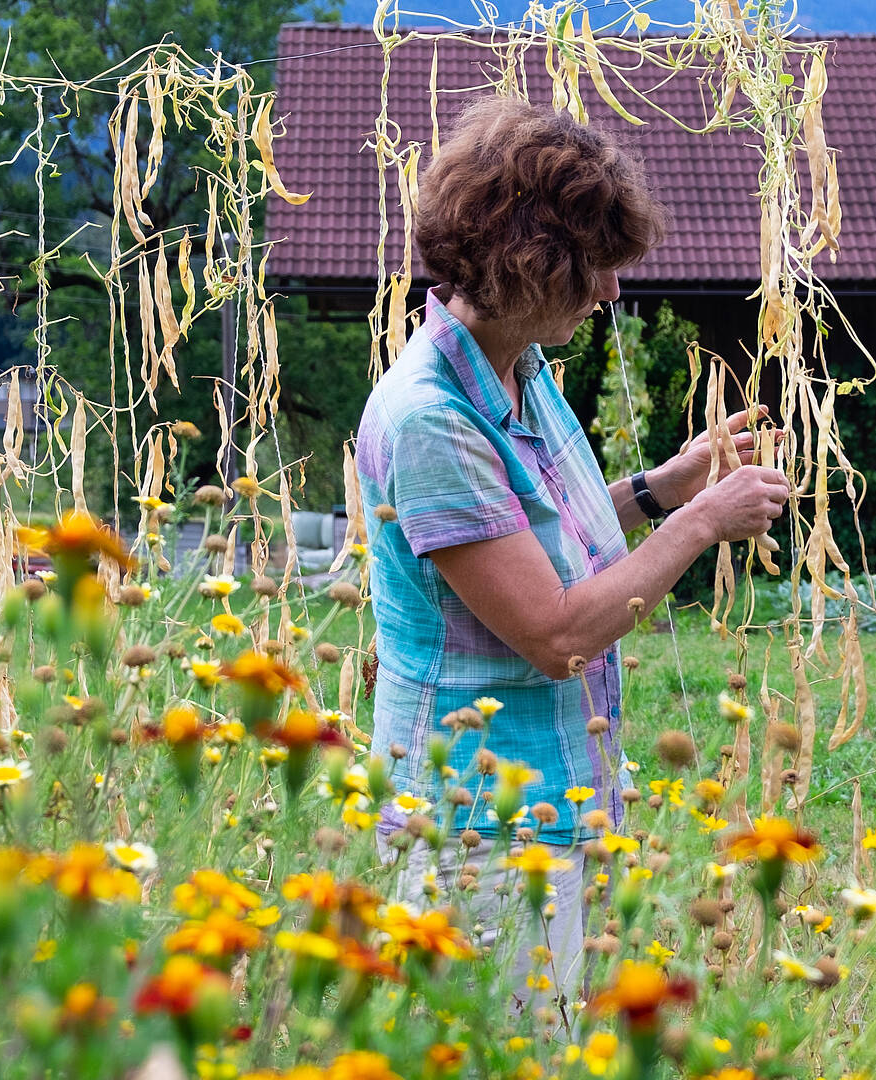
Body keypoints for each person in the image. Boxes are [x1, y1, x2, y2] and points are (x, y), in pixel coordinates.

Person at [354, 96, 789, 1015]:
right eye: (593, 268)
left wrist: (662, 488)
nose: (611, 293)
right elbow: (555, 635)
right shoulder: (435, 419)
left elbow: (546, 548)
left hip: (557, 802)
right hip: (481, 829)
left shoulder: (519, 374)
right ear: (529, 262)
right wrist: (699, 525)